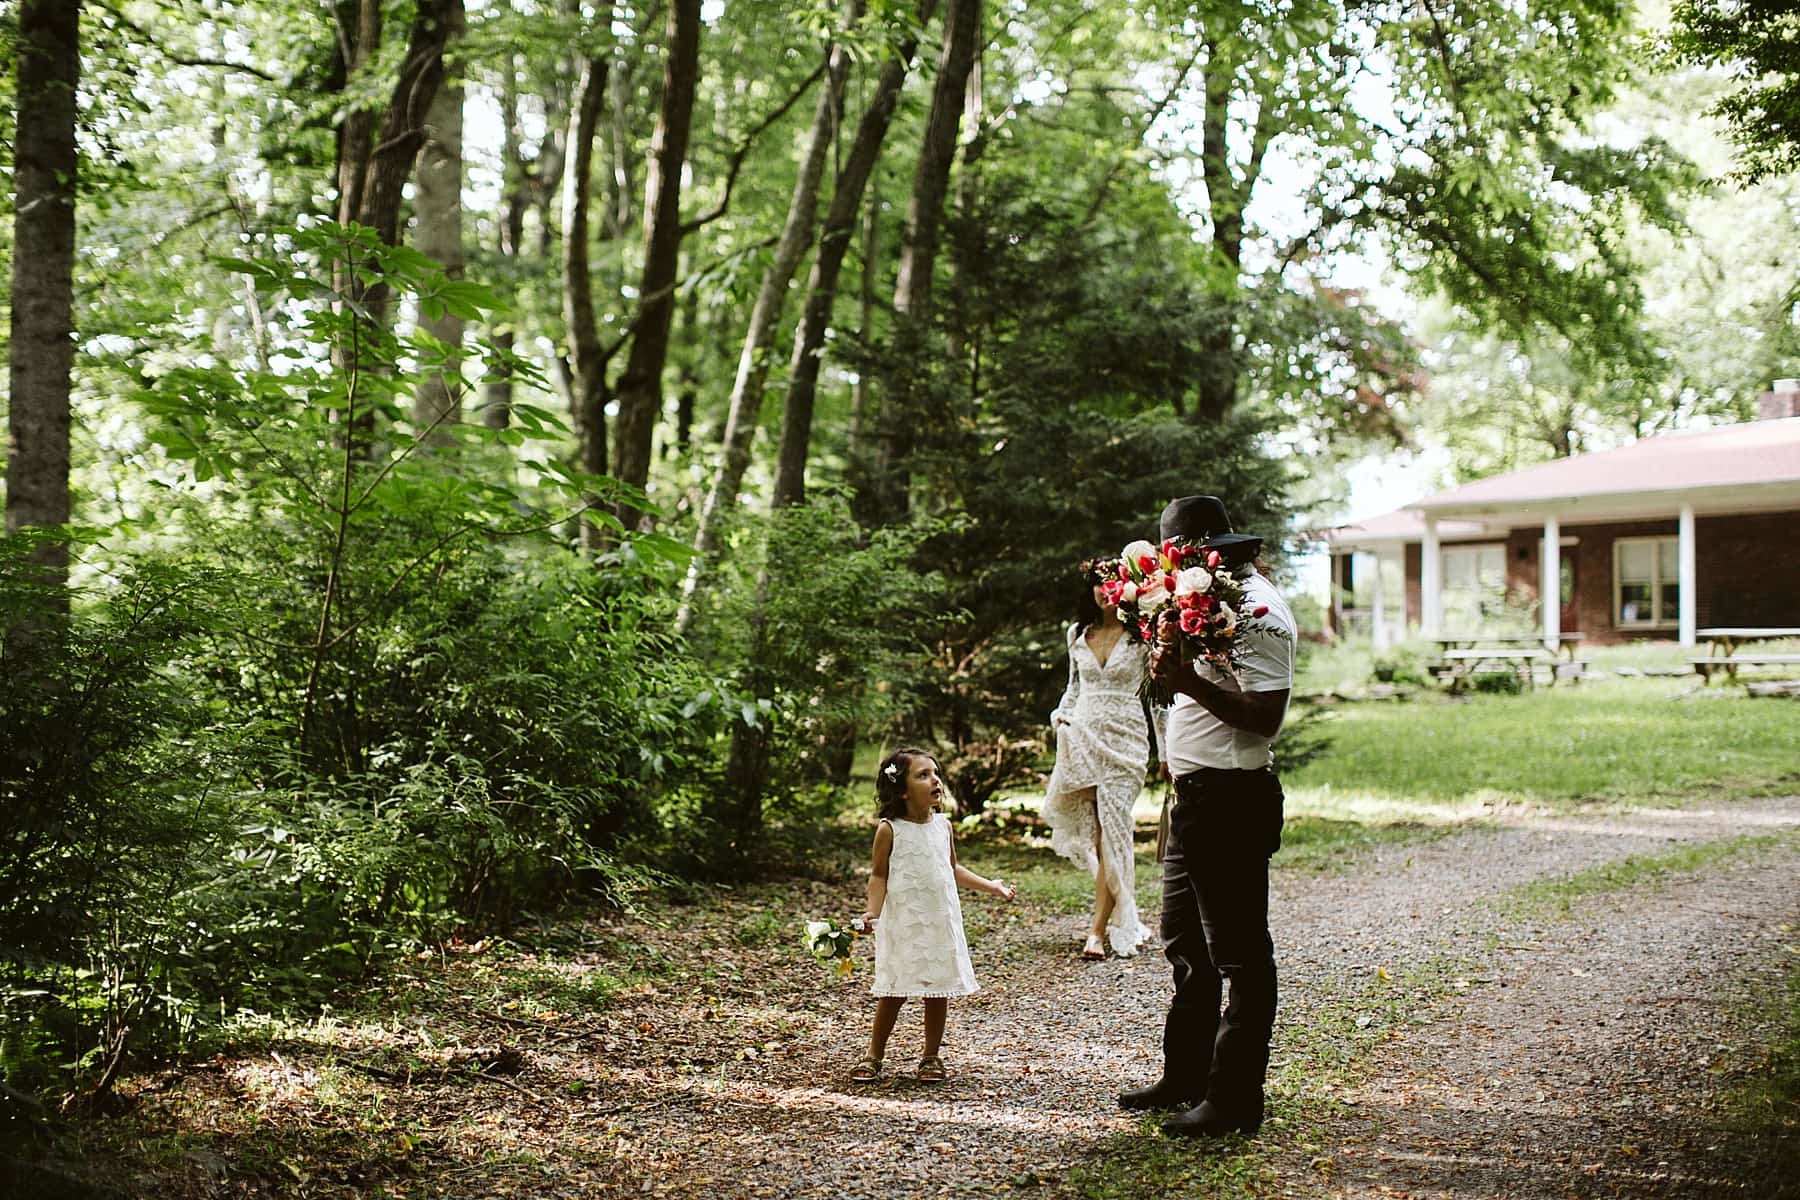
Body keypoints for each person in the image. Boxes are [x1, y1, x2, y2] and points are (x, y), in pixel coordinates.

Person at [1118, 496, 1296, 1139]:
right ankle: (1186, 1077)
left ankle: (1235, 1098)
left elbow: (1265, 718)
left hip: (1232, 798)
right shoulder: (1195, 603)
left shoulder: (1258, 613)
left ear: (1205, 553)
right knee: (1185, 945)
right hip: (1192, 797)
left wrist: (1187, 682)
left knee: (1240, 956)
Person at [851, 747, 1016, 1083]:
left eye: (936, 773)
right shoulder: (890, 829)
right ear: (902, 790)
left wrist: (992, 886)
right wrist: (872, 912)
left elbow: (952, 868)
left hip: (939, 918)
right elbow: (879, 875)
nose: (935, 780)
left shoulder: (943, 826)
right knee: (893, 990)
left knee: (937, 990)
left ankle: (930, 1056)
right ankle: (874, 1054)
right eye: (923, 775)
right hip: (904, 921)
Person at [1042, 561, 1162, 959]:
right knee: (1098, 835)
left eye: (1112, 583)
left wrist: (1166, 751)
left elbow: (1157, 700)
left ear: (1127, 589)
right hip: (1083, 737)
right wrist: (1060, 717)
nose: (1104, 590)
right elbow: (1074, 688)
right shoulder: (1077, 632)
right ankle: (1111, 918)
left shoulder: (1142, 634)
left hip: (1126, 740)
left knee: (1114, 830)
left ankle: (1100, 929)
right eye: (1097, 583)